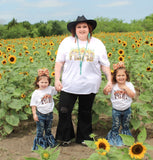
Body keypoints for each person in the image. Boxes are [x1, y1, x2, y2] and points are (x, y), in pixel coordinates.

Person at [54, 15, 112, 146]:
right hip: (69, 83)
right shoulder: (66, 42)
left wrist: (109, 80)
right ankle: (65, 137)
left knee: (85, 112)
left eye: (84, 26)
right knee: (63, 110)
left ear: (89, 28)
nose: (82, 29)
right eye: (78, 27)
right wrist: (57, 79)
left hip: (90, 84)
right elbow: (59, 62)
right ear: (74, 29)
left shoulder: (97, 43)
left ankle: (84, 138)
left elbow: (104, 64)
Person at [103, 62, 136, 146]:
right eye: (119, 75)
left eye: (123, 75)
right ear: (115, 77)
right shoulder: (114, 85)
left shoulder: (129, 84)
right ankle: (114, 140)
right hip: (116, 110)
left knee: (125, 125)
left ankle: (126, 140)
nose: (121, 77)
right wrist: (106, 89)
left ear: (126, 76)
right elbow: (105, 93)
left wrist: (125, 88)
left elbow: (132, 95)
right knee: (115, 125)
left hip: (127, 110)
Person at [30, 68, 57, 150]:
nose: (44, 84)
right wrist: (34, 114)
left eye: (46, 82)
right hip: (40, 114)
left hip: (49, 114)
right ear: (38, 83)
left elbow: (57, 88)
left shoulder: (50, 89)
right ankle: (40, 145)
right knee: (40, 130)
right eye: (42, 82)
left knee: (48, 129)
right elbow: (33, 105)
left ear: (48, 83)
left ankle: (49, 142)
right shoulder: (36, 93)